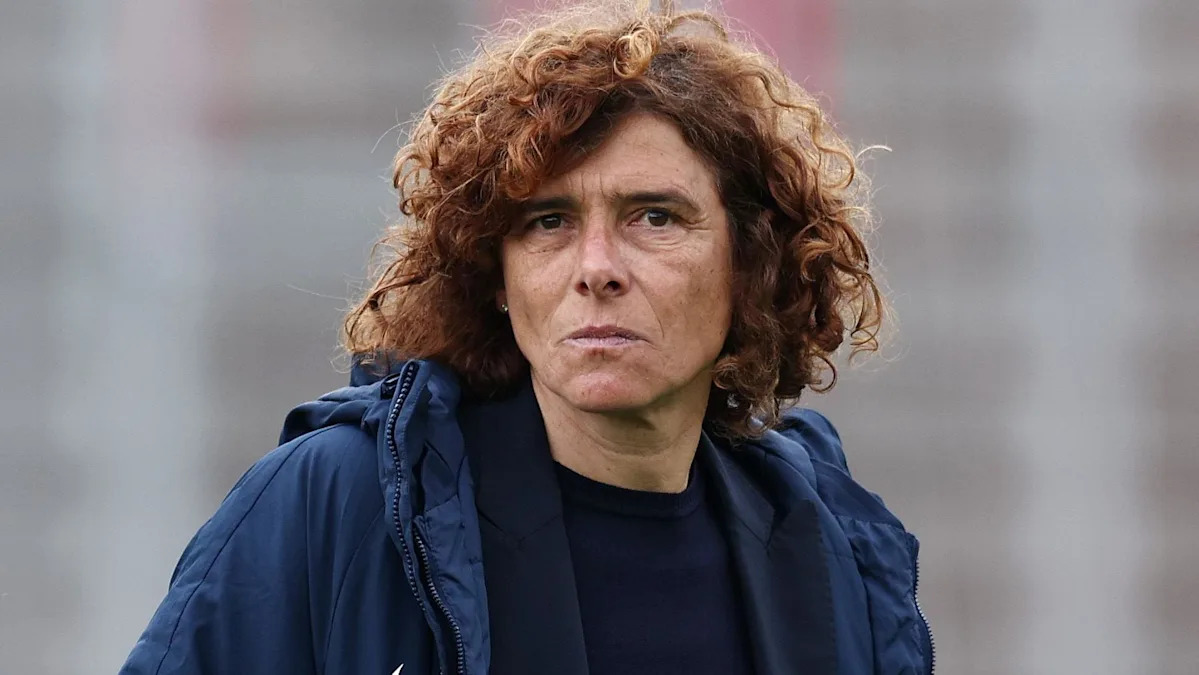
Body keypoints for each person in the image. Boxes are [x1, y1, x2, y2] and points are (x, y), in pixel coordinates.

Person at [119, 1, 932, 673]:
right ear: (496, 277)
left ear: (750, 262)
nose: (597, 268)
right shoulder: (341, 500)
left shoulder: (831, 544)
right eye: (548, 221)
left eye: (653, 216)